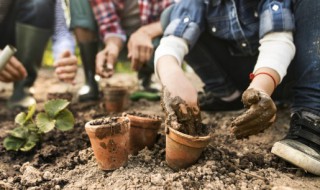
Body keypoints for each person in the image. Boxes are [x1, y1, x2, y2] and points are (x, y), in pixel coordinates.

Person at [155, 0, 320, 175]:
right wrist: (172, 75)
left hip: (287, 73)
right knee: (170, 15)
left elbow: (278, 40)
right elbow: (172, 41)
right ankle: (228, 95)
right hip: (245, 79)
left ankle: (311, 114)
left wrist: (261, 87)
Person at [89, 0, 175, 98]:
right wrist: (112, 46)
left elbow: (176, 14)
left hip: (151, 40)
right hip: (119, 41)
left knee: (170, 36)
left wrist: (145, 33)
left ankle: (146, 76)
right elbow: (109, 25)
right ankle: (90, 81)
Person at [0, 0, 78, 108]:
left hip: (17, 36)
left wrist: (64, 55)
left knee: (40, 4)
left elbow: (61, 30)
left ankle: (21, 90)